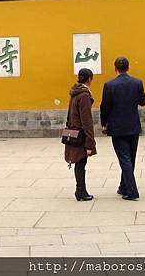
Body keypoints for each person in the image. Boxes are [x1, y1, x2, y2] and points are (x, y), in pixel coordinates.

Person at [100, 57, 145, 200]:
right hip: (133, 125)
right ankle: (123, 186)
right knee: (130, 158)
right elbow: (143, 102)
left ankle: (132, 191)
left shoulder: (109, 85)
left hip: (117, 127)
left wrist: (104, 124)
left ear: (115, 68)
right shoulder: (137, 83)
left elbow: (105, 107)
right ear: (128, 67)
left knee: (124, 158)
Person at [64, 68, 97, 201]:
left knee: (79, 162)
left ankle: (81, 190)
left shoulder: (74, 92)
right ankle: (81, 191)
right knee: (81, 162)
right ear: (89, 79)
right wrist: (90, 143)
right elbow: (86, 121)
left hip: (73, 131)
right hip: (81, 134)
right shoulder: (84, 95)